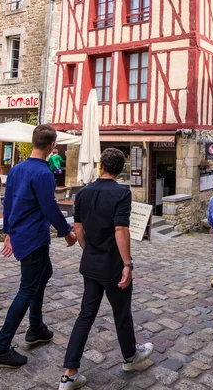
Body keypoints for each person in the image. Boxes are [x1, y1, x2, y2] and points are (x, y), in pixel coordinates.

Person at [59, 148, 153, 390]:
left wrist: (89, 250)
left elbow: (78, 227)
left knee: (85, 315)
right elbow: (120, 229)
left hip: (91, 263)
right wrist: (127, 263)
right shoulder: (122, 193)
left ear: (101, 166)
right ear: (120, 168)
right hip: (112, 264)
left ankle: (69, 373)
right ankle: (130, 357)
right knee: (121, 312)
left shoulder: (83, 192)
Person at [0, 124, 76, 368]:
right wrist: (67, 232)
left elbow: (8, 202)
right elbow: (49, 207)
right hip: (33, 237)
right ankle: (2, 346)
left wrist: (8, 231)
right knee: (27, 288)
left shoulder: (16, 169)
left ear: (34, 142)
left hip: (23, 234)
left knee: (45, 273)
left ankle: (36, 327)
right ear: (52, 145)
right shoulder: (43, 174)